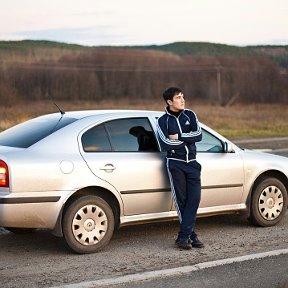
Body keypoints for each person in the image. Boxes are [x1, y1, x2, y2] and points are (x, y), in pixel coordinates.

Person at [157, 87, 204, 250]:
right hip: (175, 164)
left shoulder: (190, 115)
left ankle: (184, 236)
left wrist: (180, 137)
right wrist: (188, 139)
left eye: (183, 96)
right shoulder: (162, 121)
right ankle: (190, 236)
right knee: (181, 201)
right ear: (169, 102)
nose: (182, 100)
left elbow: (198, 135)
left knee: (195, 198)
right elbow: (165, 144)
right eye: (178, 98)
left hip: (192, 163)